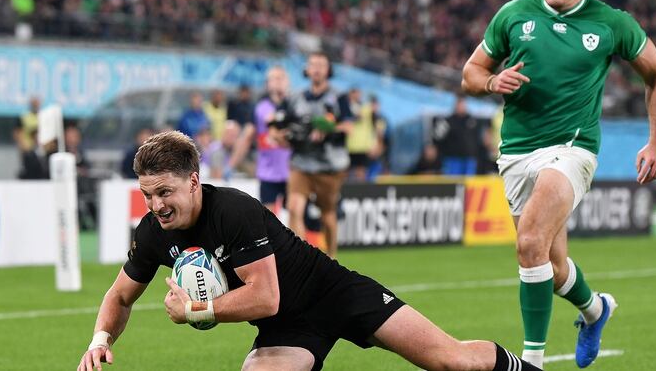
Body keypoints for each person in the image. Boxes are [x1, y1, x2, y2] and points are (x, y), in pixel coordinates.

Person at [76, 130, 540, 371]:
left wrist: (198, 310)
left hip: (336, 294)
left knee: (451, 361)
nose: (156, 205)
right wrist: (101, 341)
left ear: (194, 181)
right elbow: (120, 296)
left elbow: (265, 296)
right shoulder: (154, 231)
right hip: (287, 329)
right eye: (148, 194)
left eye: (165, 192)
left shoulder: (234, 210)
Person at [460, 0, 656, 368]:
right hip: (517, 153)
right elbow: (471, 73)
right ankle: (596, 310)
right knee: (552, 269)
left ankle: (531, 361)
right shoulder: (514, 15)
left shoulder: (611, 23)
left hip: (572, 150)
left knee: (529, 240)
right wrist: (493, 81)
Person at [272, 52, 352, 258]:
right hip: (301, 163)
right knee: (294, 207)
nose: (316, 69)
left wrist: (328, 129)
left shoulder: (339, 97)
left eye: (321, 65)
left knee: (327, 214)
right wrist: (279, 136)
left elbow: (349, 126)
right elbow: (275, 124)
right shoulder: (294, 97)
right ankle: (302, 258)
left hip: (329, 166)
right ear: (307, 70)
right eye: (312, 64)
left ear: (328, 70)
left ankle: (332, 257)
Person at [228, 66, 292, 216]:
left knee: (295, 215)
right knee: (269, 218)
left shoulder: (295, 105)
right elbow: (246, 137)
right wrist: (231, 164)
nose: (278, 82)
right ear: (267, 83)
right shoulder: (260, 108)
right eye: (274, 78)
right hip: (268, 173)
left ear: (288, 82)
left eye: (281, 78)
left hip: (292, 172)